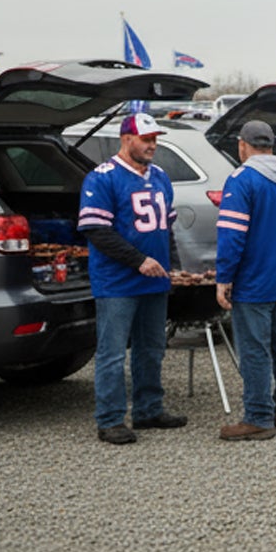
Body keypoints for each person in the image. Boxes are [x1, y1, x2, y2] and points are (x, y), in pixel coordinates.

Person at [76, 112, 186, 445]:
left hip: (155, 279)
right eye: (146, 139)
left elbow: (166, 227)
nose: (152, 145)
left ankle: (148, 409)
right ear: (126, 139)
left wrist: (174, 265)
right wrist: (138, 261)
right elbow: (96, 230)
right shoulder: (102, 178)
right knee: (112, 352)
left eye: (155, 140)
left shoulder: (161, 176)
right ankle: (110, 419)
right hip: (117, 281)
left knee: (152, 348)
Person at [215, 119, 276, 440]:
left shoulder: (241, 180)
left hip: (255, 280)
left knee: (255, 350)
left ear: (243, 145)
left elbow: (232, 235)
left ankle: (258, 417)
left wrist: (224, 277)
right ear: (271, 145)